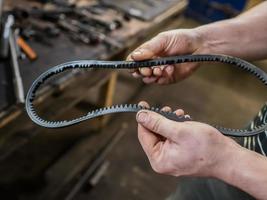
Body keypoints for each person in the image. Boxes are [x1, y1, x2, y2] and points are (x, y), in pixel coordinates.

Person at [127, 2, 267, 200]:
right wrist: (203, 42)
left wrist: (228, 161)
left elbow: (225, 161)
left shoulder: (225, 160)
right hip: (237, 159)